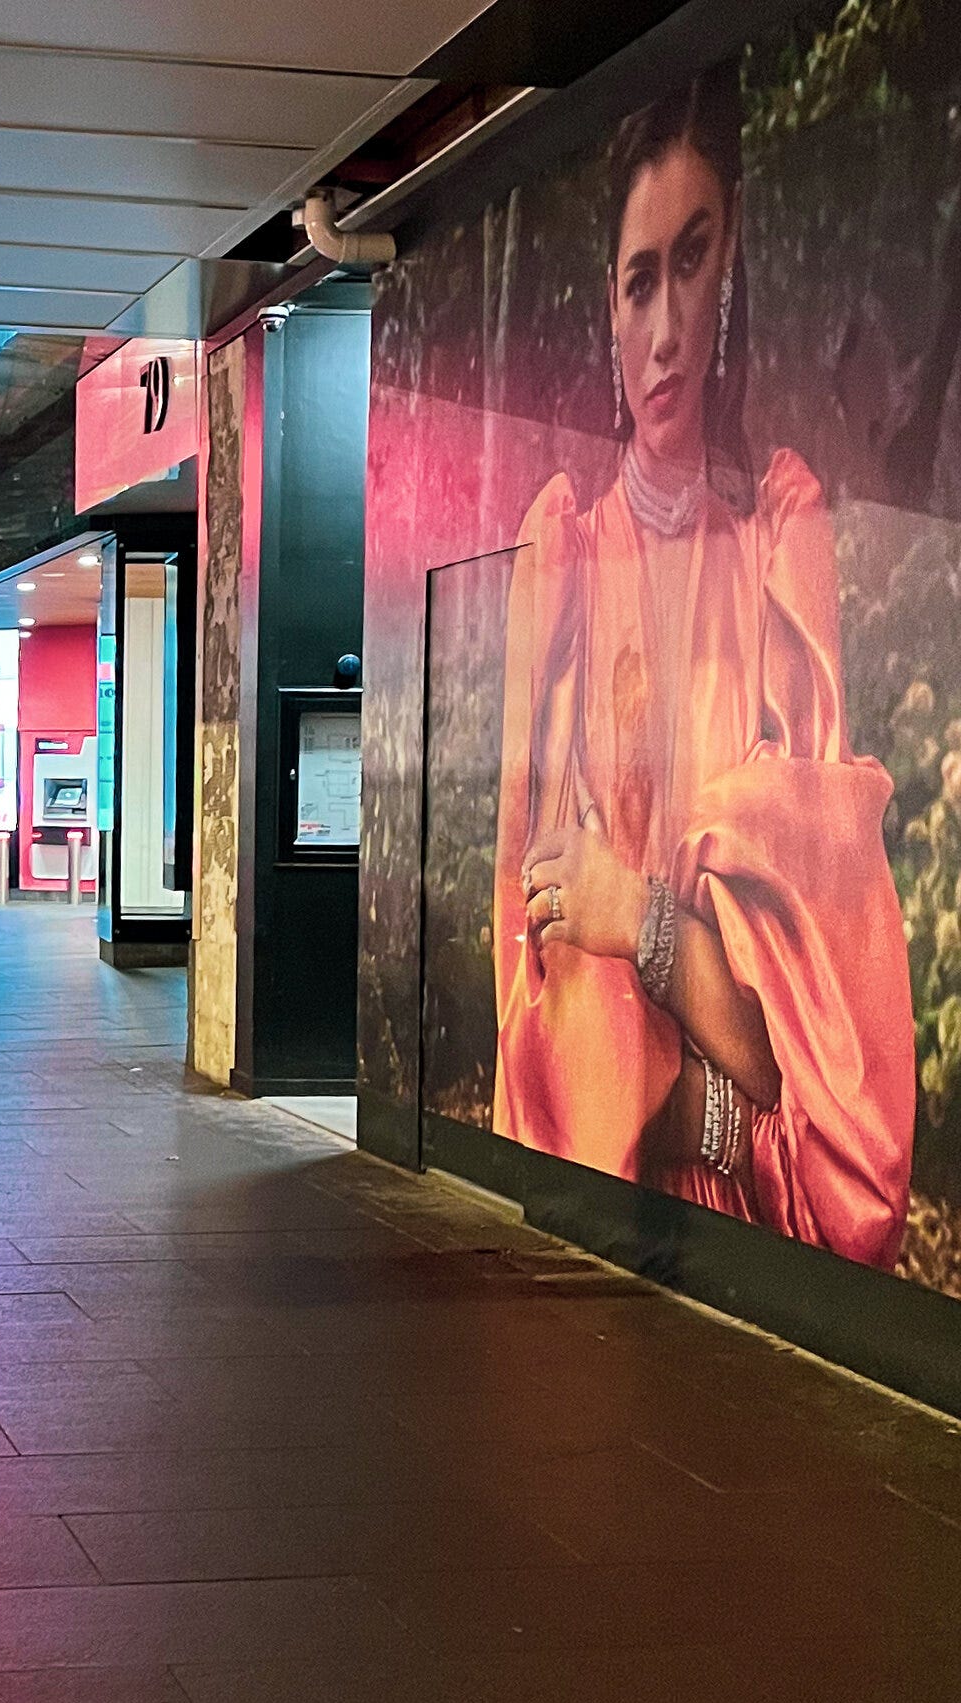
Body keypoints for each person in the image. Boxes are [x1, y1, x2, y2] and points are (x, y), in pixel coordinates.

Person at [493, 61, 914, 1269]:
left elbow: (817, 1060)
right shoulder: (560, 549)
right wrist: (690, 1054)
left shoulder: (784, 534)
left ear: (734, 273)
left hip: (744, 1218)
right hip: (593, 1181)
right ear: (606, 313)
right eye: (637, 281)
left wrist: (647, 927)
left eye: (692, 259)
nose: (665, 324)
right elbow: (542, 974)